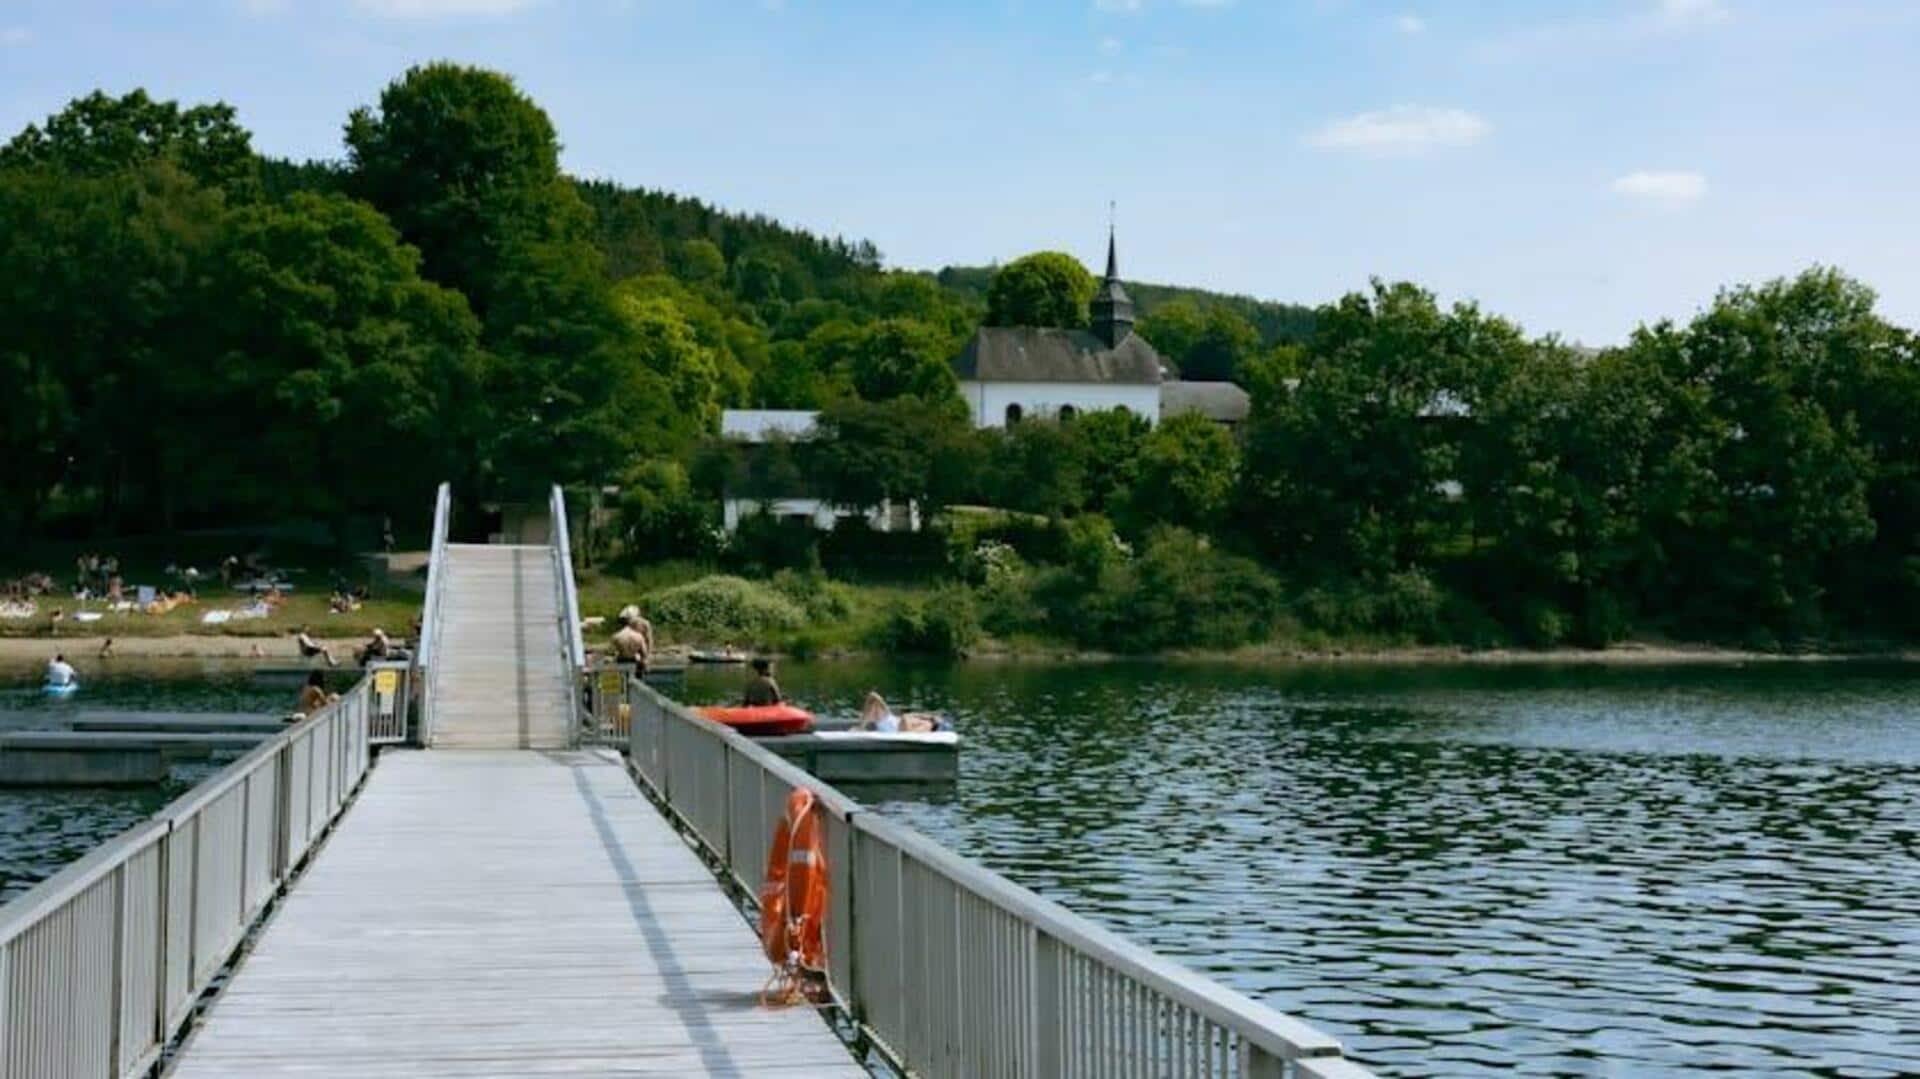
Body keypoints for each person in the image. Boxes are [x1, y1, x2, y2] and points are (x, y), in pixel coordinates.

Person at [859, 691, 947, 733]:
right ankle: (933, 720)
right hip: (901, 726)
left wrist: (862, 725)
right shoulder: (882, 714)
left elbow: (873, 696)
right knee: (907, 718)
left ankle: (935, 721)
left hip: (900, 730)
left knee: (908, 719)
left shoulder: (884, 714)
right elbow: (872, 695)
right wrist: (862, 725)